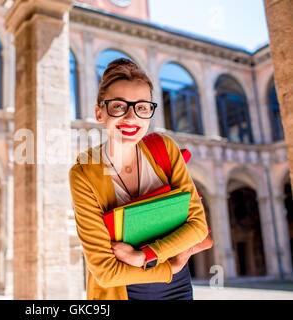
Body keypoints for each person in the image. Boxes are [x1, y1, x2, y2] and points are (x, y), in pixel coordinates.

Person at [68, 58, 212, 300]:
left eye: (142, 107)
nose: (131, 118)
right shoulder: (84, 173)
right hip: (122, 292)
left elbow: (197, 226)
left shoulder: (164, 148)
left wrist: (145, 255)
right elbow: (105, 271)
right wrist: (170, 267)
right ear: (99, 112)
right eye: (118, 107)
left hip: (178, 288)